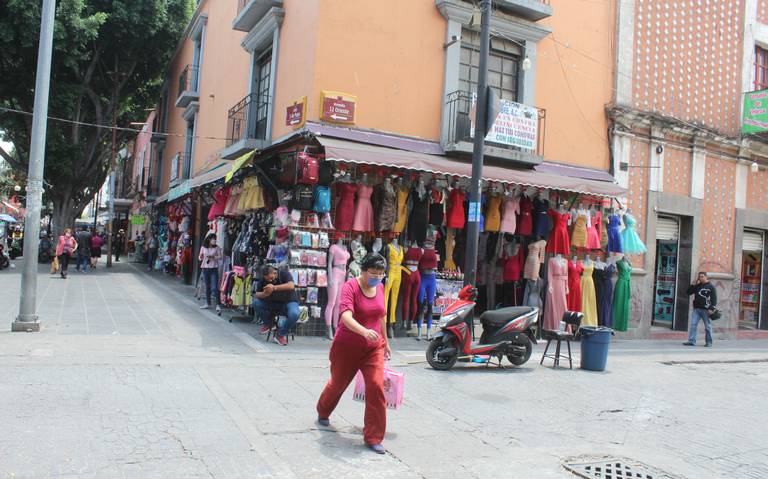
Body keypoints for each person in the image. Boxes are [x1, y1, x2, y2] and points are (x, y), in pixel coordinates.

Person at [316, 253, 392, 455]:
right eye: (373, 273)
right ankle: (323, 410)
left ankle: (374, 437)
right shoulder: (351, 286)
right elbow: (345, 316)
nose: (377, 277)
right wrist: (364, 331)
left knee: (376, 386)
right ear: (363, 271)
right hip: (347, 346)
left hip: (372, 348)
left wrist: (386, 343)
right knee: (338, 383)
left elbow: (381, 316)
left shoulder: (381, 287)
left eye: (380, 273)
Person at [252, 264, 300, 346]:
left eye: (271, 278)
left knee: (294, 314)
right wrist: (264, 294)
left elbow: (291, 285)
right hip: (273, 303)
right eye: (268, 279)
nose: (270, 281)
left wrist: (274, 288)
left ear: (275, 272)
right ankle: (269, 323)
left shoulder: (284, 274)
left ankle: (280, 334)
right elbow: (256, 294)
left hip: (289, 301)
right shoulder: (263, 279)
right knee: (256, 303)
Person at [684, 272, 717, 347]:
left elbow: (714, 299)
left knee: (707, 326)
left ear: (706, 277)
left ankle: (709, 342)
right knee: (693, 325)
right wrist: (693, 284)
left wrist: (711, 308)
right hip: (696, 309)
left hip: (706, 310)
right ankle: (691, 341)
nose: (700, 278)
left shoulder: (711, 286)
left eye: (702, 276)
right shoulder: (698, 285)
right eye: (699, 277)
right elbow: (688, 292)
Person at [198, 233, 223, 312]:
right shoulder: (203, 247)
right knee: (207, 286)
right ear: (209, 239)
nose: (215, 240)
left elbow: (220, 257)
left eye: (215, 239)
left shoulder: (217, 248)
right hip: (205, 268)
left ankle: (218, 304)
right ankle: (208, 303)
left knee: (215, 287)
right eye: (213, 239)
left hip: (213, 269)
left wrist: (213, 257)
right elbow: (199, 257)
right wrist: (201, 257)